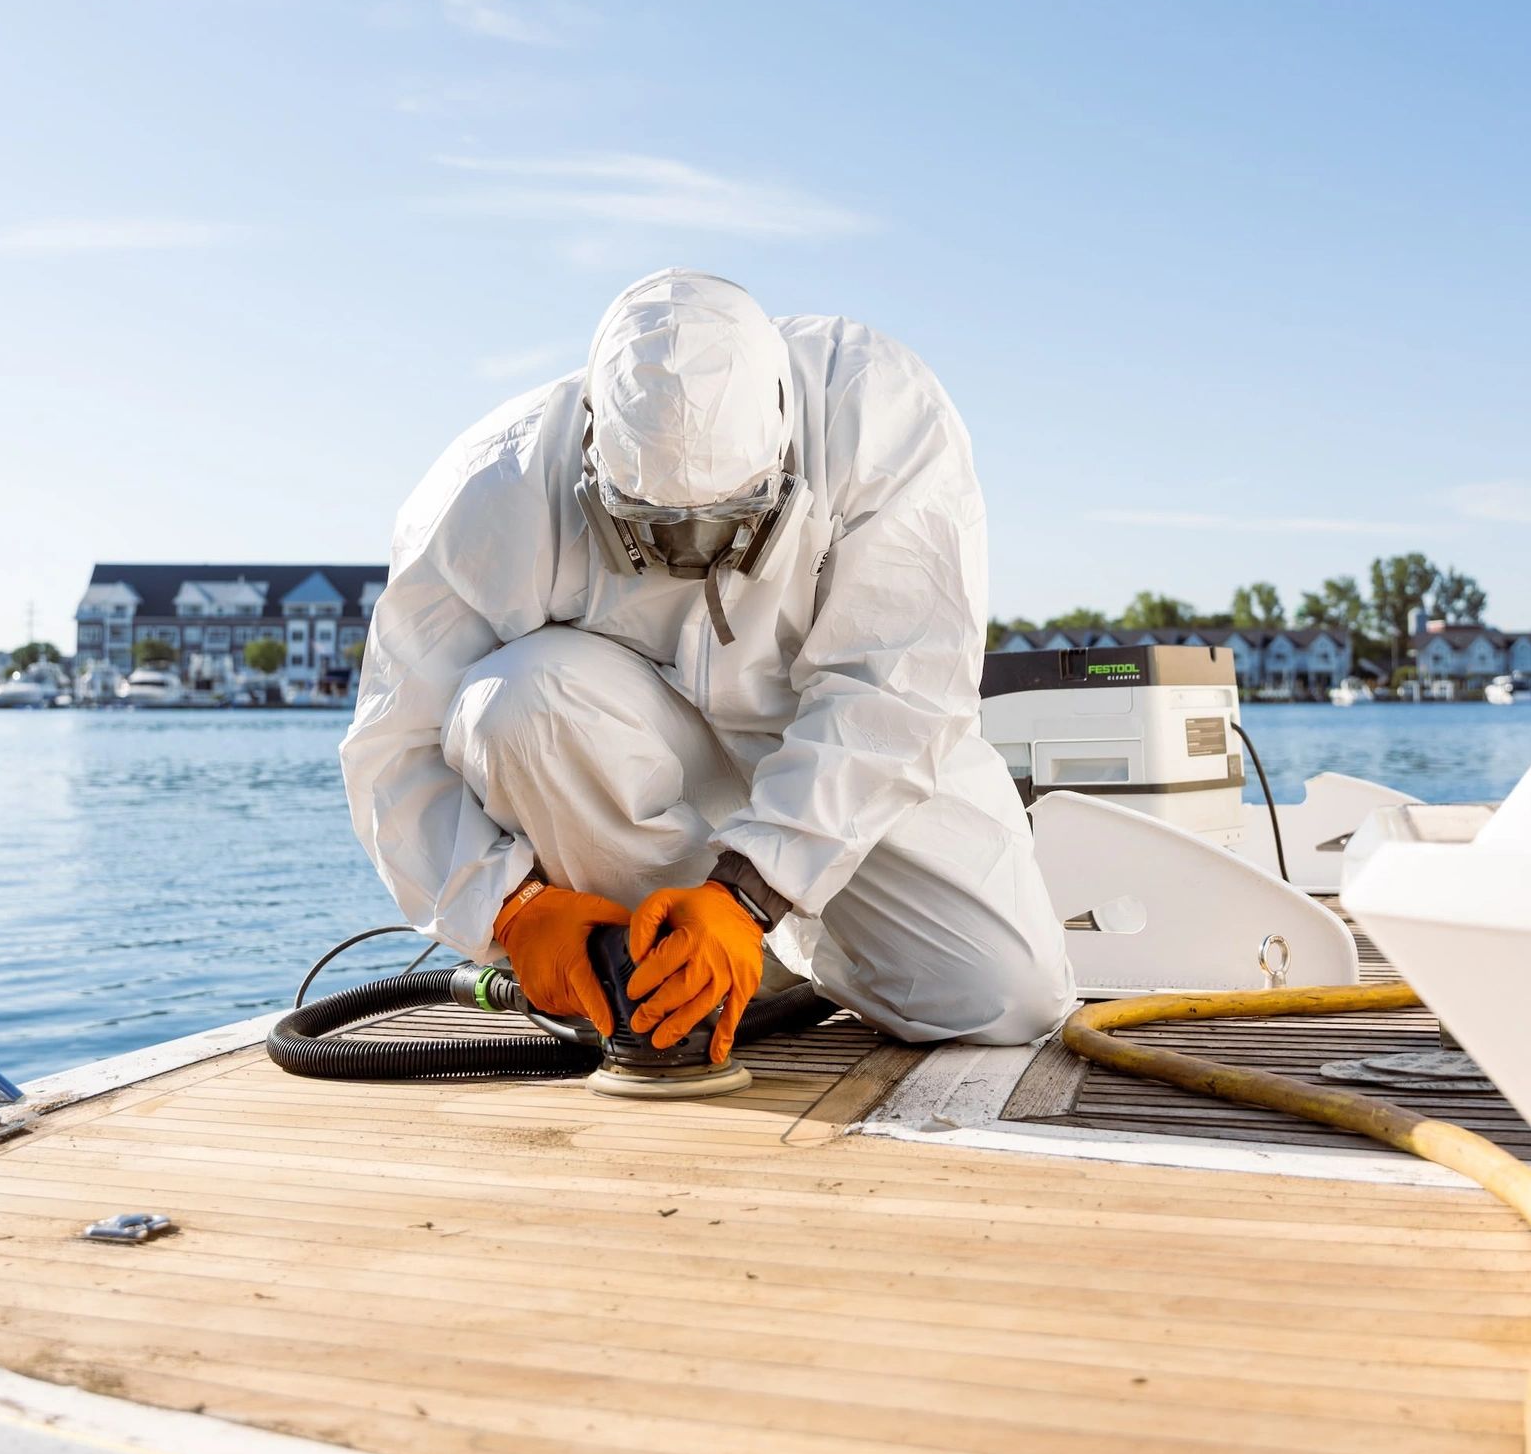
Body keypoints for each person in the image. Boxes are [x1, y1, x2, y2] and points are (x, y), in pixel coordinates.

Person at [341, 268, 1073, 1065]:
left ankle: (746, 940)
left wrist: (746, 893)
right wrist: (507, 908)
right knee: (515, 701)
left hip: (836, 740)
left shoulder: (877, 409)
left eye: (731, 519)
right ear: (591, 443)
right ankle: (672, 983)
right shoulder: (491, 489)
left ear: (785, 433)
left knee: (1002, 999)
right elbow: (396, 740)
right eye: (653, 528)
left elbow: (893, 690)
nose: (692, 556)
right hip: (632, 737)